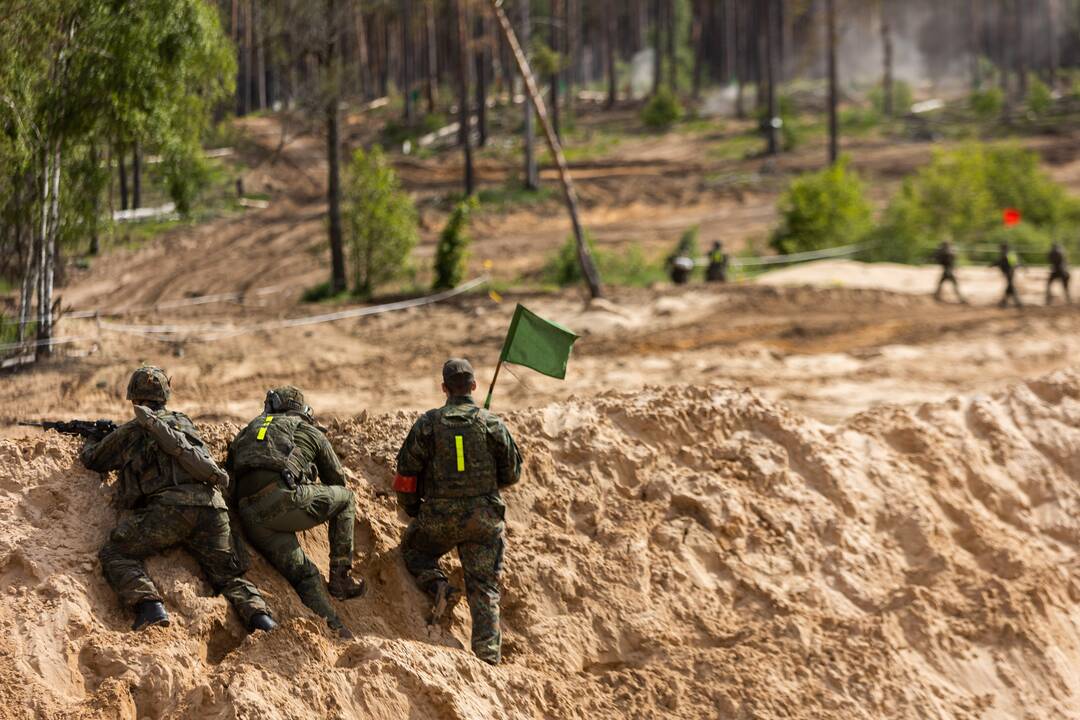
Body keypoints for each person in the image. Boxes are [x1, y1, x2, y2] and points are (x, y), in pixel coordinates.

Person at [84, 366, 275, 633]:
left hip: (170, 510)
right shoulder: (184, 422)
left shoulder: (135, 429)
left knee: (115, 553)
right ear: (164, 396)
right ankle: (262, 621)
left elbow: (93, 459)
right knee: (229, 576)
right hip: (212, 507)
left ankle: (149, 607)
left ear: (135, 399)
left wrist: (93, 438)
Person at [393, 359, 522, 665]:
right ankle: (488, 659)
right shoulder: (491, 423)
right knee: (485, 587)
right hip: (483, 519)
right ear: (474, 386)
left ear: (444, 389)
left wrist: (413, 510)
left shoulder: (428, 423)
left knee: (414, 551)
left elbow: (406, 473)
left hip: (438, 517)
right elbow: (513, 473)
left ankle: (438, 585)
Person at [226, 386, 365, 639]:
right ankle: (341, 577)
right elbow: (337, 480)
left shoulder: (248, 430)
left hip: (250, 516)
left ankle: (335, 628)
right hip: (284, 501)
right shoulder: (307, 429)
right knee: (346, 500)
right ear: (301, 411)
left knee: (305, 574)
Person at [992, 242, 1023, 308]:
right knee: (1010, 288)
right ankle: (1008, 302)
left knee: (1010, 288)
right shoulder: (1007, 254)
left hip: (1009, 273)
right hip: (1009, 273)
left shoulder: (1008, 254)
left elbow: (1015, 264)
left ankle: (1012, 303)